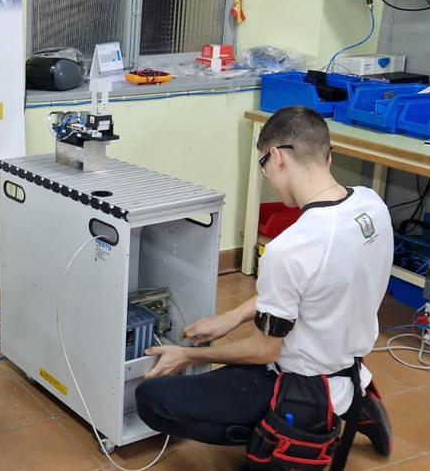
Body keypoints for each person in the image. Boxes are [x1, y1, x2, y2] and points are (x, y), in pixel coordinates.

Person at [134, 107, 394, 463]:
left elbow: (263, 352)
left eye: (264, 166)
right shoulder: (372, 205)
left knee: (154, 400)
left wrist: (189, 355)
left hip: (302, 384)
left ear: (277, 157)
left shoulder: (290, 247)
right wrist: (232, 317)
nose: (269, 177)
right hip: (349, 362)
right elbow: (310, 285)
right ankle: (357, 401)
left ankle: (290, 427)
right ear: (327, 155)